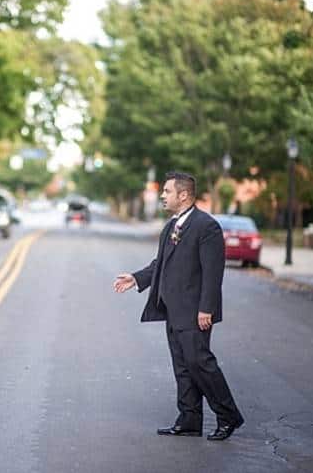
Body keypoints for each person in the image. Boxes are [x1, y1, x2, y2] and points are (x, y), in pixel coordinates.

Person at [113, 171, 243, 441]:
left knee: (200, 363)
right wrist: (137, 278)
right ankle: (189, 420)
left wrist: (206, 308)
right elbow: (160, 264)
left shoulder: (206, 226)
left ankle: (228, 416)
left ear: (183, 195)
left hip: (195, 311)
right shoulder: (171, 227)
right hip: (173, 309)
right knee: (182, 366)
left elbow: (212, 272)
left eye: (167, 191)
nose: (162, 195)